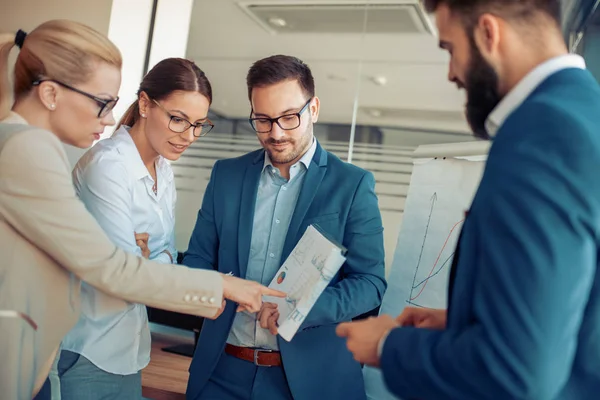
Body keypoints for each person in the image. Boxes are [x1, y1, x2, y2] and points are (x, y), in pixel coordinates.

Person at [0, 21, 283, 400]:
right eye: (102, 102)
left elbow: (130, 261)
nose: (106, 118)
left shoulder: (22, 141)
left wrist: (142, 259)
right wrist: (222, 285)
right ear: (50, 93)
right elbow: (112, 269)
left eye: (113, 105)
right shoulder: (31, 150)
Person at [336, 0, 600, 399]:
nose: (452, 73)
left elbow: (514, 373)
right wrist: (463, 323)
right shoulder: (586, 113)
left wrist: (387, 347)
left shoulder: (542, 134)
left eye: (449, 48)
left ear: (488, 33)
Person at [183, 54, 387, 400]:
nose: (275, 133)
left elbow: (370, 283)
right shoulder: (226, 177)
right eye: (262, 120)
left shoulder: (352, 185)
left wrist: (300, 308)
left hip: (310, 382)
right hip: (221, 374)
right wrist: (223, 289)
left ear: (314, 109)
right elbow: (197, 262)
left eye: (289, 118)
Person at [58, 57, 217, 399]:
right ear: (145, 104)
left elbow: (167, 259)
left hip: (129, 351)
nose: (189, 136)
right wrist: (141, 264)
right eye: (178, 119)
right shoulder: (108, 167)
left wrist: (142, 259)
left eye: (199, 124)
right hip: (87, 349)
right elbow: (126, 281)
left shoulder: (164, 168)